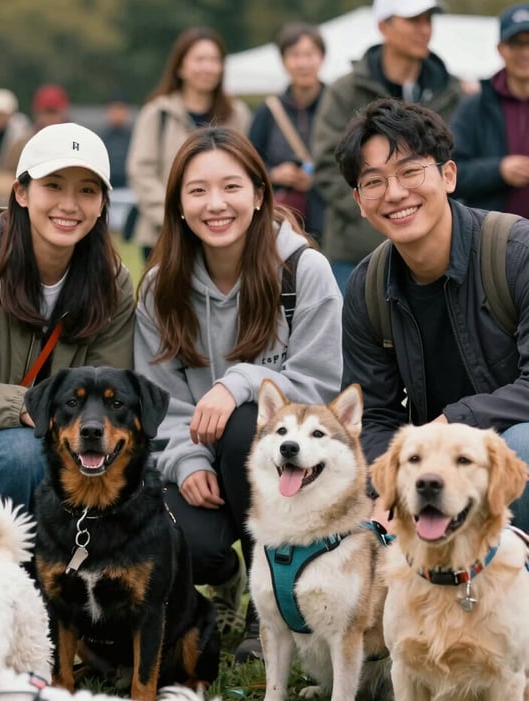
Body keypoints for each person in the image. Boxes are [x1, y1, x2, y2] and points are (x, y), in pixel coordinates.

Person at [133, 126, 342, 663]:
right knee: (183, 549)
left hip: (288, 467)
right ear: (178, 204)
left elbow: (319, 387)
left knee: (250, 420)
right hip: (204, 465)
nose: (216, 203)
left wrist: (239, 381)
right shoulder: (161, 289)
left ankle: (266, 596)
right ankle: (227, 574)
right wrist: (185, 462)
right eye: (197, 190)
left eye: (231, 187)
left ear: (257, 194)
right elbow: (161, 403)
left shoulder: (303, 271)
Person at [336, 97, 529, 532]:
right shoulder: (368, 288)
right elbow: (375, 415)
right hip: (439, 471)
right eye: (374, 181)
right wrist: (387, 488)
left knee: (521, 445)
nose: (396, 193)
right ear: (360, 202)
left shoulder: (516, 253)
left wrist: (450, 423)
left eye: (409, 171)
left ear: (448, 175)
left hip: (504, 452)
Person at [0, 122, 135, 516]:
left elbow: (111, 386)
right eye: (53, 185)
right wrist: (35, 406)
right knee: (24, 453)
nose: (69, 205)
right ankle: (2, 570)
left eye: (87, 190)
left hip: (73, 446)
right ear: (21, 192)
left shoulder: (113, 282)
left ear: (103, 202)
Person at [311, 0, 462, 292]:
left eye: (428, 20)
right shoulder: (345, 91)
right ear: (383, 26)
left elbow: (460, 158)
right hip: (356, 252)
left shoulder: (452, 90)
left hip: (437, 251)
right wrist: (378, 208)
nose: (424, 30)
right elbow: (328, 165)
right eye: (413, 20)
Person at [126, 27, 251, 259]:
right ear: (181, 67)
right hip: (163, 234)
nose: (207, 67)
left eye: (214, 60)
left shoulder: (237, 114)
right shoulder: (158, 112)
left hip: (223, 230)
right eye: (199, 59)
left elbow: (248, 169)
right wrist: (177, 215)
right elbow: (141, 171)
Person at [248, 22, 327, 240]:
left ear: (322, 57)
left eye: (309, 54)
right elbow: (248, 161)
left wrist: (315, 181)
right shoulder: (269, 111)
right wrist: (274, 174)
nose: (302, 63)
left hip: (331, 219)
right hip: (281, 219)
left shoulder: (337, 105)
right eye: (294, 55)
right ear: (283, 61)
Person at [450, 3, 529, 217]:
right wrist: (498, 171)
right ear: (501, 49)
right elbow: (449, 174)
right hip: (492, 241)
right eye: (516, 43)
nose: (525, 52)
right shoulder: (474, 107)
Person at [99, 93, 133, 190]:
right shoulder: (101, 139)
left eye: (121, 108)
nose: (117, 113)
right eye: (113, 109)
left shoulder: (135, 139)